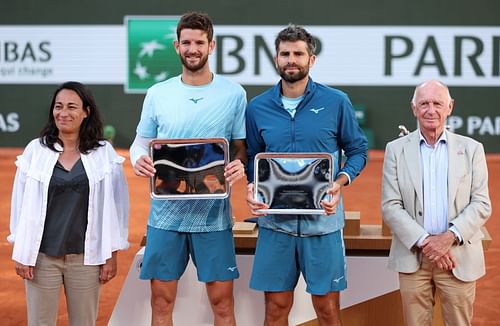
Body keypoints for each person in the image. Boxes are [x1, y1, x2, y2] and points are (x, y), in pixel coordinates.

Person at [245, 25, 368, 326]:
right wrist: (252, 187)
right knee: (275, 310)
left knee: (327, 310)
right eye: (285, 53)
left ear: (311, 60)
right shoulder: (257, 107)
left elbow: (358, 150)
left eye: (298, 54)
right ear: (276, 58)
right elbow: (252, 157)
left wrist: (339, 182)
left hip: (323, 225)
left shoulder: (336, 101)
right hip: (275, 225)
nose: (291, 59)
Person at [129, 12, 246, 325]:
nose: (193, 49)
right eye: (186, 43)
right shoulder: (157, 93)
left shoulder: (234, 93)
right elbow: (141, 143)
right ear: (176, 46)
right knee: (161, 303)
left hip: (214, 217)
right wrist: (137, 158)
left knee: (222, 304)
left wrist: (239, 165)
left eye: (199, 42)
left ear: (212, 46)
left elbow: (240, 147)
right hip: (165, 217)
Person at [8, 81, 130, 325]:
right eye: (58, 106)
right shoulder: (36, 150)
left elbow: (116, 207)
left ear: (86, 112)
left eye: (72, 107)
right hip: (41, 257)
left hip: (87, 258)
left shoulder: (103, 152)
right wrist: (22, 250)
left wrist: (111, 254)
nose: (63, 113)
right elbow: (20, 204)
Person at [381, 80, 492, 325]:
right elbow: (390, 205)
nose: (431, 110)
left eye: (437, 103)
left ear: (449, 107)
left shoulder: (472, 149)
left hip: (458, 257)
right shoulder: (395, 149)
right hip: (413, 258)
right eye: (424, 104)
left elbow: (481, 204)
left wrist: (447, 238)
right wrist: (427, 243)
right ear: (414, 108)